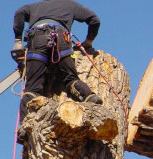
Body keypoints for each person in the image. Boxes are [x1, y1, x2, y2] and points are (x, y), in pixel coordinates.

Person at [13, 0, 103, 144]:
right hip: (62, 39)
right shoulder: (70, 5)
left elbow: (19, 14)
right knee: (71, 78)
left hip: (37, 39)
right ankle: (89, 96)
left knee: (32, 87)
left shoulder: (33, 7)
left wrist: (18, 39)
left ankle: (24, 127)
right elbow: (94, 20)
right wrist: (88, 42)